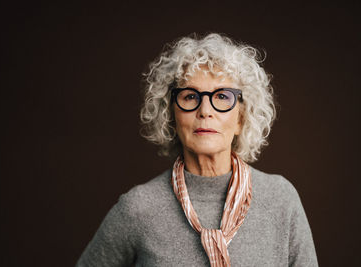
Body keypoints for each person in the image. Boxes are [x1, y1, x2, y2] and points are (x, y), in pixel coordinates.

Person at [76, 33, 318, 266]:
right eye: (190, 96)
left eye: (222, 96)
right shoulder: (138, 208)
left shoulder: (280, 199)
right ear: (171, 115)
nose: (205, 110)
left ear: (241, 119)